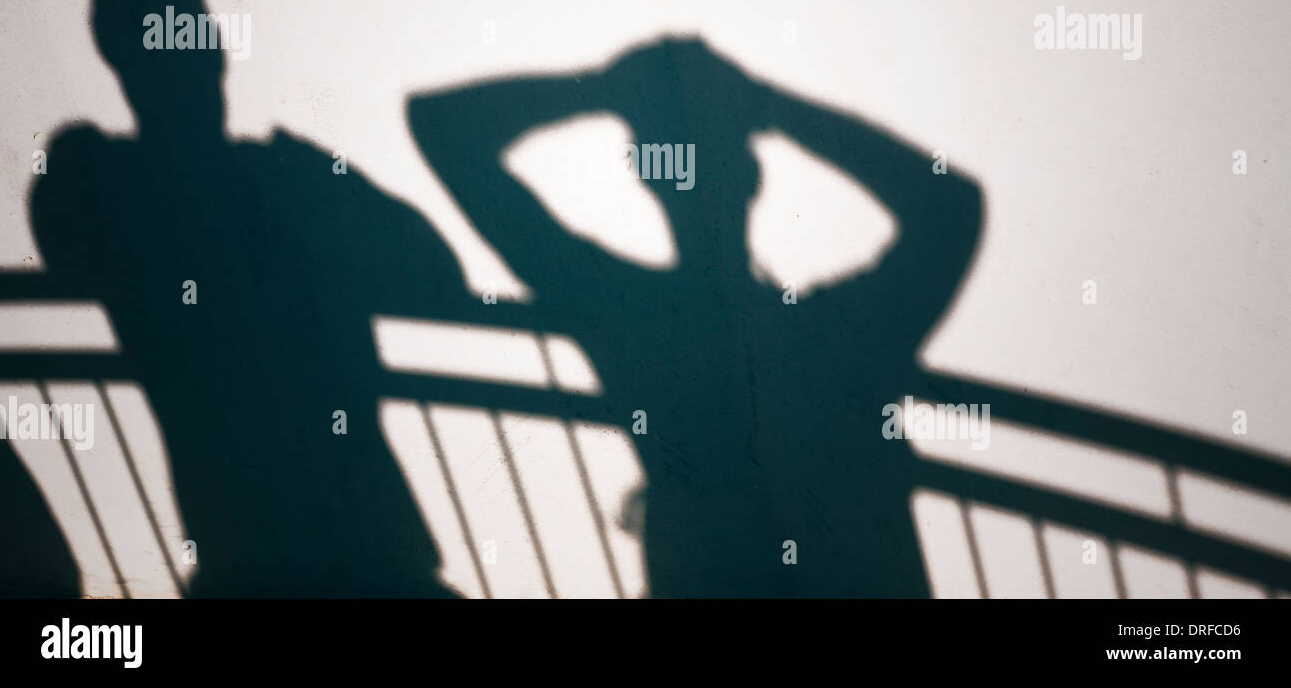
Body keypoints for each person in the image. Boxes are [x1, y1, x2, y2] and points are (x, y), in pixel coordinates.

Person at [408, 35, 984, 596]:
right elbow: (949, 204)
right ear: (754, 175)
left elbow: (443, 127)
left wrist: (605, 90)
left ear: (645, 175)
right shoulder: (839, 328)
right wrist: (764, 103)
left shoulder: (621, 313)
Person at [30, 0, 467, 596]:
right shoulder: (282, 175)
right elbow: (439, 276)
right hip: (372, 557)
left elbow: (437, 273)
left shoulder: (100, 179)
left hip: (255, 564)